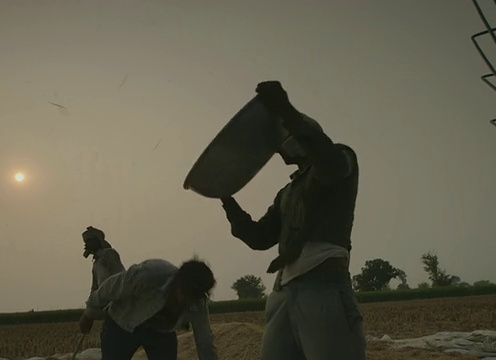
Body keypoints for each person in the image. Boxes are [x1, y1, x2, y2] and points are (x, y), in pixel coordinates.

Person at [219, 81, 366, 359]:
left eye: (284, 141)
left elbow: (328, 163)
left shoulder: (340, 159)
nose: (281, 151)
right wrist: (226, 198)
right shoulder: (287, 192)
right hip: (284, 291)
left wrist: (285, 110)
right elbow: (260, 238)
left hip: (323, 284)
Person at [78, 257, 218, 360]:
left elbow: (204, 341)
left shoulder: (198, 302)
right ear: (178, 282)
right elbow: (109, 289)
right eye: (185, 293)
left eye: (192, 297)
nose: (186, 301)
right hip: (123, 325)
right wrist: (89, 314)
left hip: (162, 332)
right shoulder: (150, 273)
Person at [81, 226, 125, 295]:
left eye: (89, 242)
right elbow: (95, 287)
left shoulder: (108, 253)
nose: (86, 245)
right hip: (105, 299)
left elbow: (119, 275)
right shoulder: (96, 262)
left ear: (96, 241)